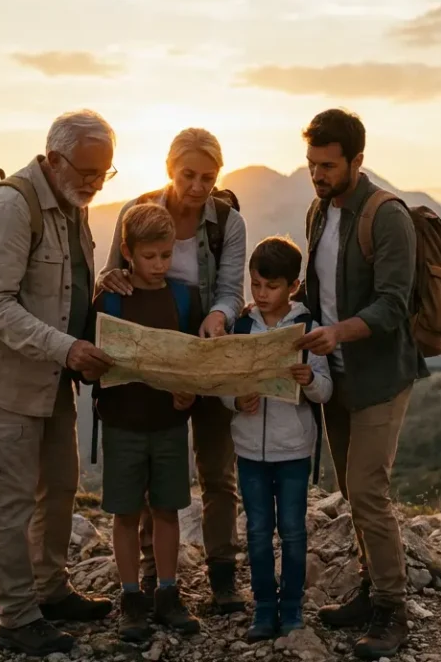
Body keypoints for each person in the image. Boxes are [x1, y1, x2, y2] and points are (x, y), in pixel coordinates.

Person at [0, 109, 118, 656]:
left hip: (54, 380)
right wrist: (67, 348)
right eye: (88, 172)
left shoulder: (72, 207)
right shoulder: (10, 207)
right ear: (53, 158)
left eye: (105, 174)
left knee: (61, 487)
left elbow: (62, 296)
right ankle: (17, 616)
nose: (95, 184)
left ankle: (50, 589)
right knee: (12, 500)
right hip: (6, 382)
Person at [96, 128, 248, 612]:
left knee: (217, 470)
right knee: (151, 458)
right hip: (151, 356)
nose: (199, 186)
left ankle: (221, 575)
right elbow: (112, 274)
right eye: (189, 175)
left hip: (207, 348)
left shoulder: (227, 221)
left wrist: (219, 315)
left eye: (209, 177)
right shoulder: (137, 211)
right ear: (169, 168)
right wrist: (109, 278)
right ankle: (152, 577)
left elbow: (230, 286)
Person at [295, 108, 429, 660]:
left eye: (327, 165)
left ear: (357, 160)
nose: (318, 175)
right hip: (337, 379)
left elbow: (394, 304)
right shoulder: (319, 213)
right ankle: (368, 588)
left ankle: (392, 612)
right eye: (311, 165)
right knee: (351, 491)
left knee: (369, 491)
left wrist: (337, 333)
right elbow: (317, 289)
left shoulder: (386, 215)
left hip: (379, 377)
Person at [92, 204, 203, 642]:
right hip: (122, 423)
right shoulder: (110, 300)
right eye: (150, 257)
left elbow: (196, 360)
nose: (160, 265)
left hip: (170, 423)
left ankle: (168, 593)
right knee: (124, 512)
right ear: (127, 252)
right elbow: (90, 361)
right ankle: (131, 597)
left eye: (166, 255)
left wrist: (189, 393)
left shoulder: (183, 298)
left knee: (167, 509)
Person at [222, 236, 332, 642]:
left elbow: (326, 390)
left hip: (292, 449)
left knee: (292, 530)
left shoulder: (308, 329)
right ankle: (263, 610)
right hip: (249, 449)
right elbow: (223, 385)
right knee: (256, 530)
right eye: (255, 285)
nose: (261, 294)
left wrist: (309, 383)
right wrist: (236, 400)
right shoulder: (241, 327)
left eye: (270, 286)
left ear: (293, 286)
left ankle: (292, 610)